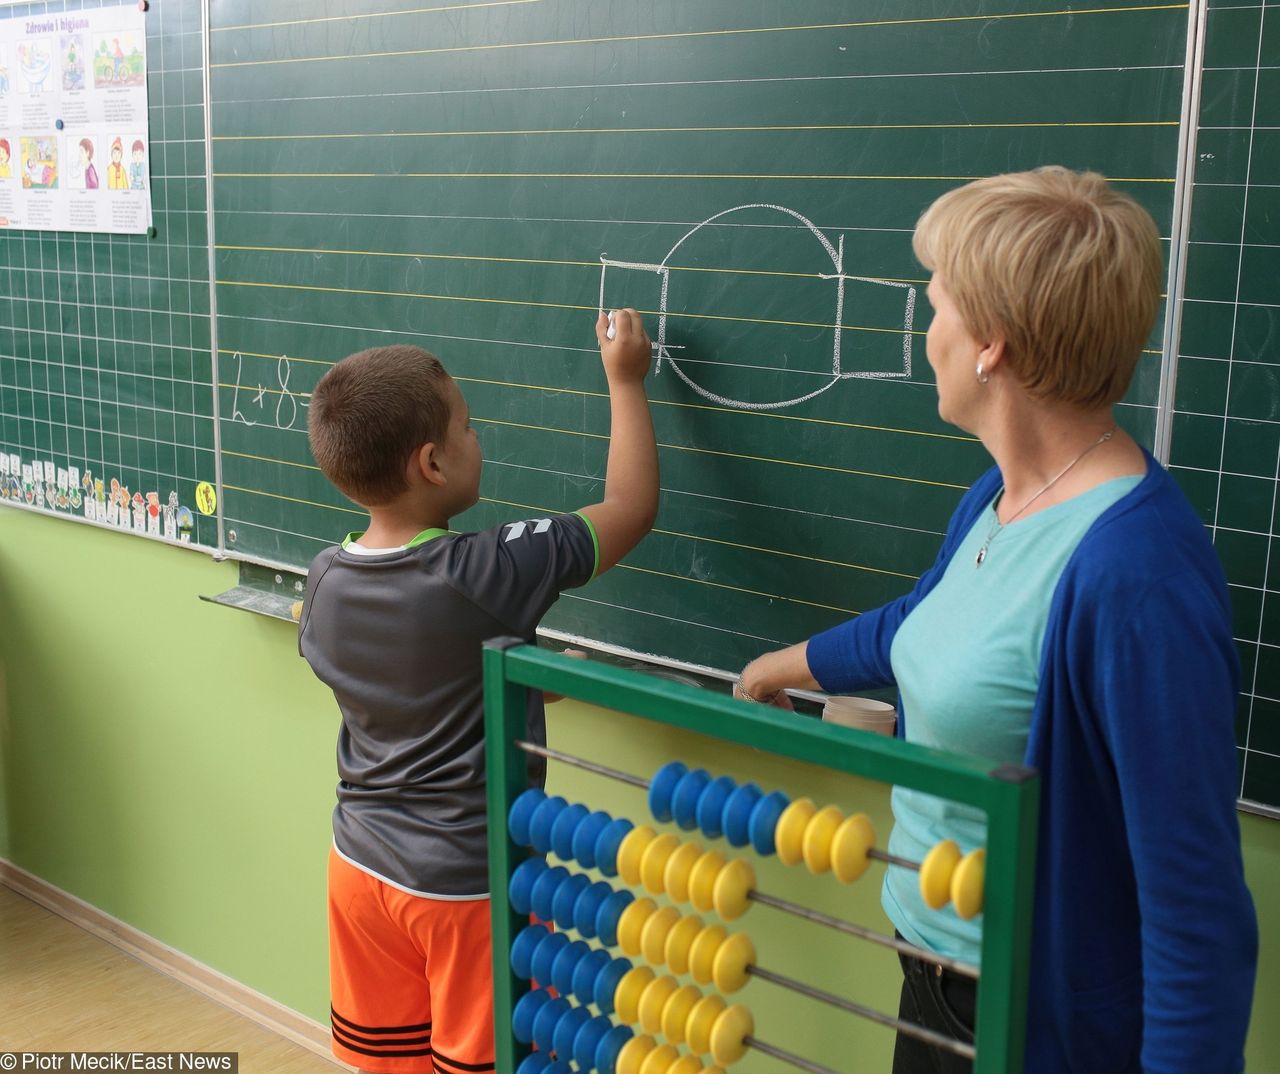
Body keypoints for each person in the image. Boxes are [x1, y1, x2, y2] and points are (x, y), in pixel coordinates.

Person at [734, 167, 1257, 1074]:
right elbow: (925, 620)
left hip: (1034, 1021)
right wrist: (790, 663)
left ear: (992, 347)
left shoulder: (1137, 579)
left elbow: (1195, 917)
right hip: (931, 975)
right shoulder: (1001, 495)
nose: (925, 331)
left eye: (936, 306)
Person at [299, 311, 658, 1074]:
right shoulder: (486, 571)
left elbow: (420, 675)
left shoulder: (325, 577)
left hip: (357, 868)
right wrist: (624, 380)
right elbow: (629, 509)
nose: (478, 438)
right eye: (469, 427)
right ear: (432, 463)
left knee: (386, 1062)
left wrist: (530, 676)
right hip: (461, 886)